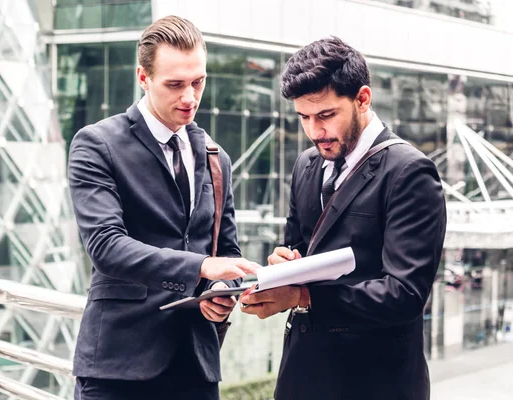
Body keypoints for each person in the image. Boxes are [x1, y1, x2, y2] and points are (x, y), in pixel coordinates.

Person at [240, 37, 446, 400]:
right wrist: (284, 263)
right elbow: (300, 246)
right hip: (301, 377)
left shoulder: (410, 172)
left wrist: (303, 296)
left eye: (326, 115)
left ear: (363, 99)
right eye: (303, 117)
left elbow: (405, 295)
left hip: (375, 383)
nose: (314, 131)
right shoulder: (306, 164)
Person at [68, 15, 257, 400]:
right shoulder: (96, 144)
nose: (190, 97)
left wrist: (222, 289)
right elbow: (106, 246)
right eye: (175, 84)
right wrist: (202, 267)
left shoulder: (215, 156)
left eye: (198, 82)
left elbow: (227, 252)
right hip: (118, 368)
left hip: (197, 367)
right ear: (144, 77)